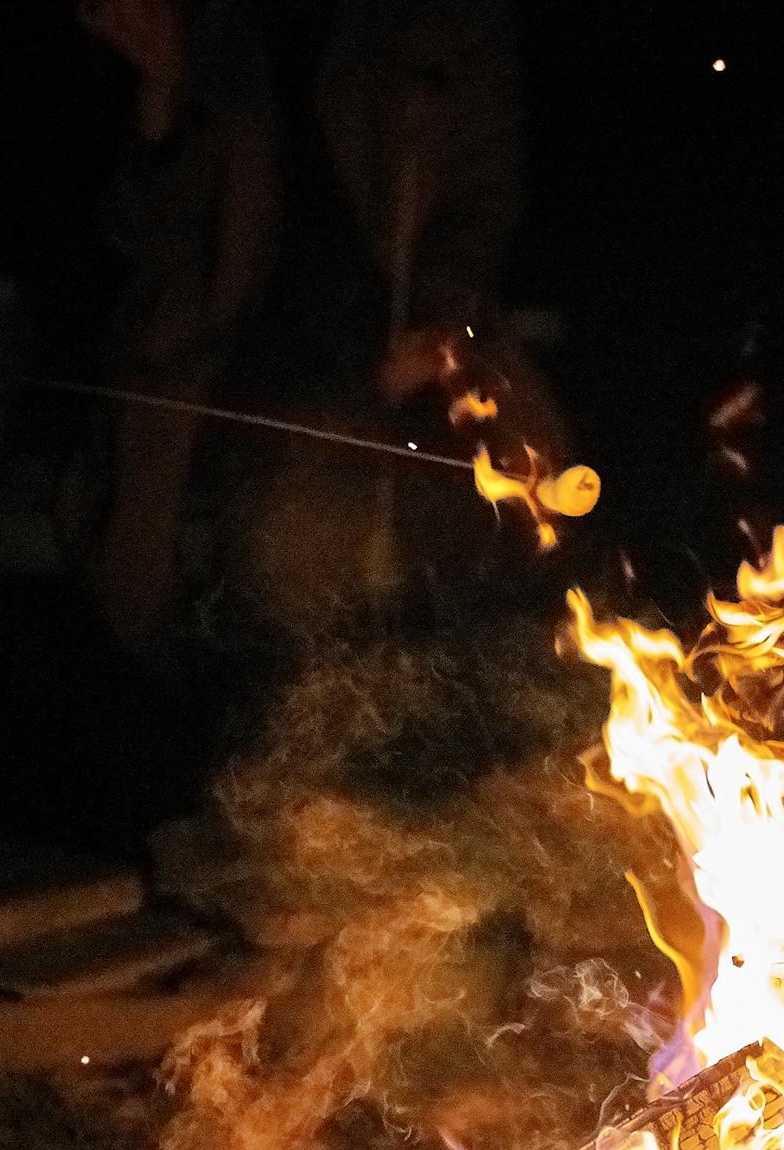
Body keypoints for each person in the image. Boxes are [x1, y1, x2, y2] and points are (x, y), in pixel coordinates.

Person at [72, 0, 544, 659]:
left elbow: (482, 204)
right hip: (228, 345)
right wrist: (161, 99)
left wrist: (436, 320)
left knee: (449, 494)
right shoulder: (204, 25)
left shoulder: (444, 20)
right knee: (181, 534)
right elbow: (136, 235)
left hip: (385, 324)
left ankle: (371, 680)